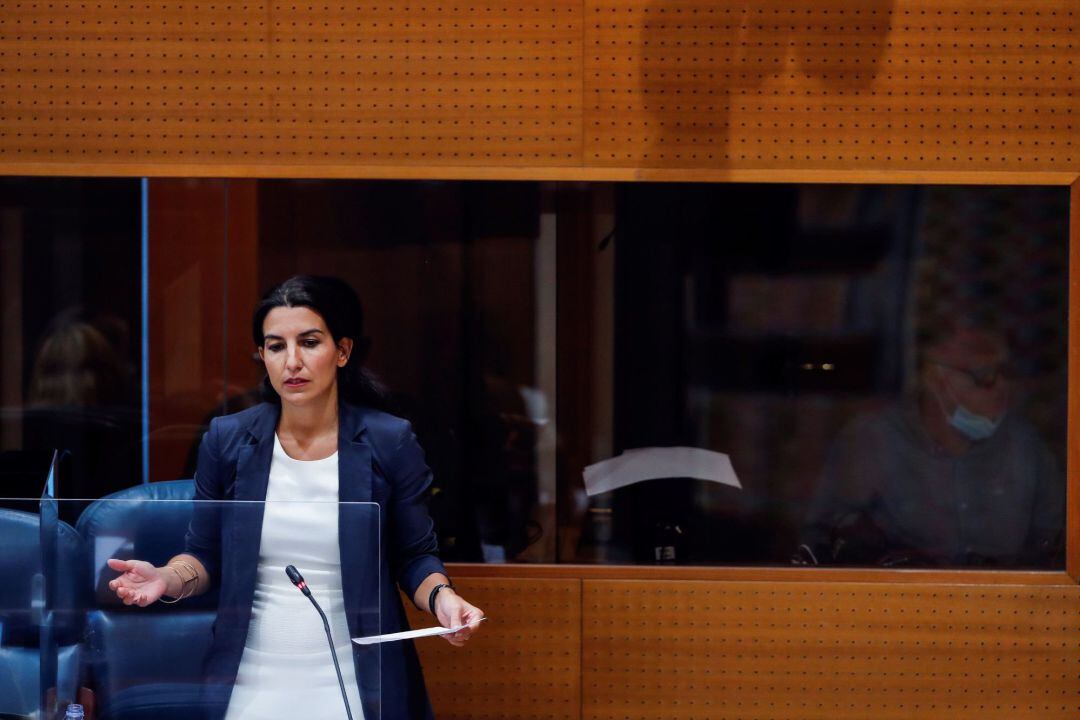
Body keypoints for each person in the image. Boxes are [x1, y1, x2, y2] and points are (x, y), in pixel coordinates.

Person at [105, 275, 483, 719]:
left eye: (309, 342)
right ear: (262, 356)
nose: (293, 361)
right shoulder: (227, 441)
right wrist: (166, 579)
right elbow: (203, 556)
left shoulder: (388, 440)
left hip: (357, 674)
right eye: (276, 346)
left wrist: (442, 597)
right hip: (250, 675)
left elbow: (414, 555)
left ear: (342, 351)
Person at [796, 323, 1064, 568]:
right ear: (934, 378)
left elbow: (1053, 548)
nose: (1001, 387)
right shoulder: (872, 442)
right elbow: (819, 546)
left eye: (1005, 372)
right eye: (984, 375)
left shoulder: (1025, 447)